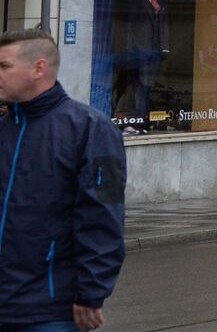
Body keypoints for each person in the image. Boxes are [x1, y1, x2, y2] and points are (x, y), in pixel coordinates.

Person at [0, 28, 126, 332]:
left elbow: (103, 216)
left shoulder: (91, 129)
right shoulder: (4, 128)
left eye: (4, 66)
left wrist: (91, 293)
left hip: (49, 310)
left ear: (38, 68)